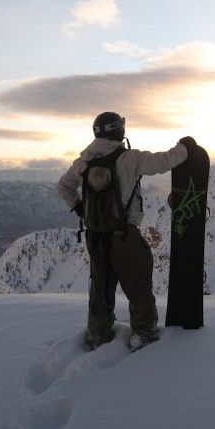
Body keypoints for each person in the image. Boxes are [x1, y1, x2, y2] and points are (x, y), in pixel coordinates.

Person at [58, 111, 195, 351]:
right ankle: (144, 335)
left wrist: (80, 208)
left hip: (95, 236)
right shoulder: (130, 159)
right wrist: (185, 147)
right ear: (119, 130)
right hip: (125, 235)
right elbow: (165, 160)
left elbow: (64, 186)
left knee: (100, 287)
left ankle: (98, 335)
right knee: (138, 286)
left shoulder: (84, 161)